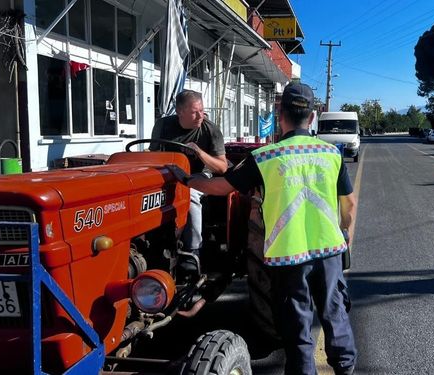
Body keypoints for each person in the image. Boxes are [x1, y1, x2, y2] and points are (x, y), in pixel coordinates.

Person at [167, 82, 357, 375]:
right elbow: (349, 207)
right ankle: (345, 368)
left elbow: (220, 186)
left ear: (280, 115)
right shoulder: (331, 153)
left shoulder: (266, 157)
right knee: (335, 315)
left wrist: (187, 180)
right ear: (312, 117)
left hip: (289, 257)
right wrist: (342, 235)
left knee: (298, 329)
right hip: (329, 251)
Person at [150, 90, 228, 272]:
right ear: (179, 112)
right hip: (170, 174)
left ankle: (193, 250)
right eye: (195, 112)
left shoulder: (210, 130)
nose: (201, 115)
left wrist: (200, 153)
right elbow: (153, 155)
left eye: (202, 110)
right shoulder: (163, 125)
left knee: (190, 194)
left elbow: (222, 167)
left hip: (199, 175)